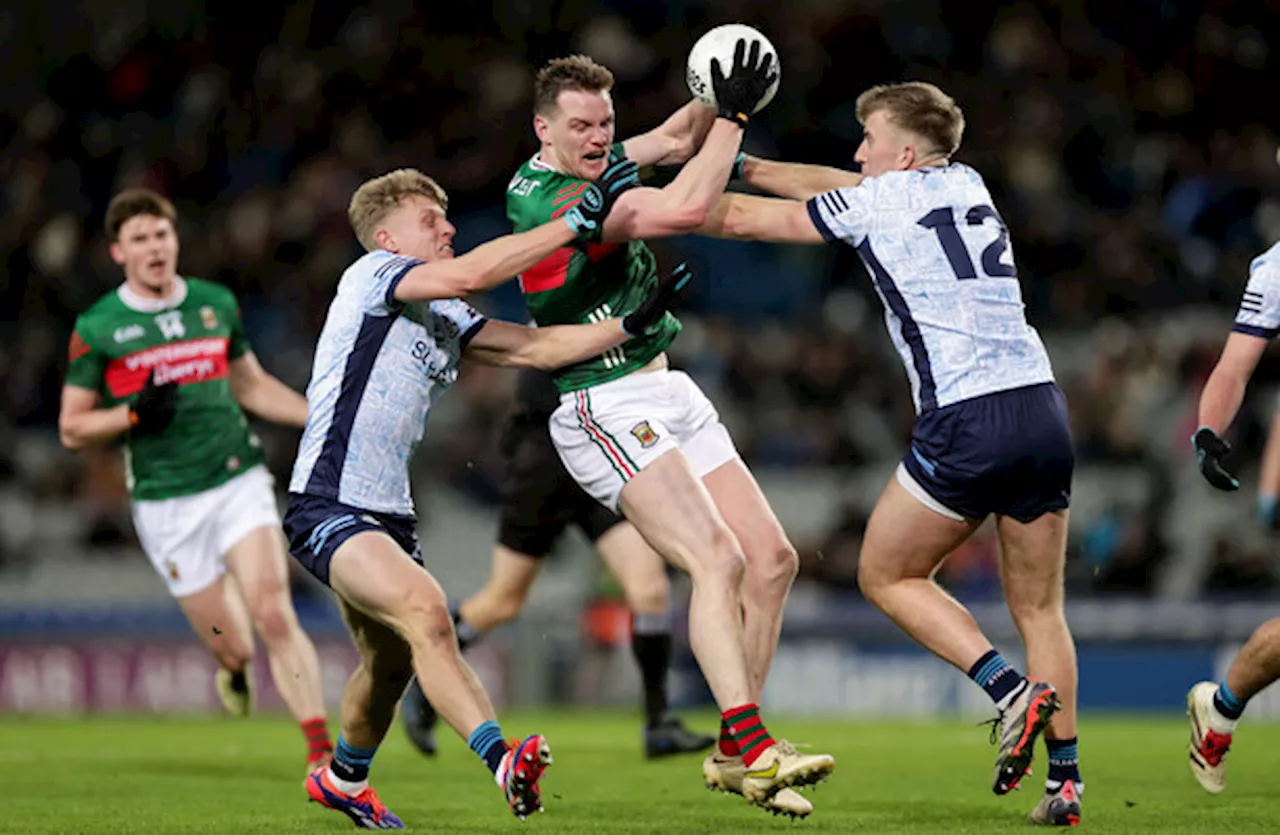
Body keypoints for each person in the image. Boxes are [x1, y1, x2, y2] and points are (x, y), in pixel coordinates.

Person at [696, 81, 1082, 827]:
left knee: (886, 571)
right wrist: (749, 162)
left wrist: (643, 208)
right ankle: (1064, 784)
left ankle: (1007, 691)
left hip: (967, 415)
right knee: (1041, 607)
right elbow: (843, 185)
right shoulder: (964, 182)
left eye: (869, 138)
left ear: (903, 154)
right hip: (1042, 405)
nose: (857, 152)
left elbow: (742, 223)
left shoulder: (879, 201)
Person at [285, 165, 691, 829]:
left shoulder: (440, 304)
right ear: (386, 237)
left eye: (447, 219)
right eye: (431, 221)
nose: (448, 228)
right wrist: (574, 222)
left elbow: (530, 346)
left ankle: (341, 777)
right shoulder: (374, 275)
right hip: (329, 501)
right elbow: (473, 273)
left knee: (388, 663)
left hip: (389, 513)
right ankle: (504, 761)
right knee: (427, 612)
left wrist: (632, 325)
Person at [504, 44, 836, 817]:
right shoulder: (552, 203)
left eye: (606, 122)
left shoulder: (592, 159)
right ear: (541, 131)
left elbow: (678, 139)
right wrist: (740, 115)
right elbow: (685, 207)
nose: (600, 137)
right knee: (713, 559)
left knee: (774, 560)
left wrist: (715, 77)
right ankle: (750, 743)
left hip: (664, 386)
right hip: (603, 403)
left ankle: (736, 748)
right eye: (582, 125)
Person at [59, 188, 334, 772]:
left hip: (236, 477)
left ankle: (322, 754)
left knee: (273, 611)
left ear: (175, 240)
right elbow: (72, 427)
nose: (154, 247)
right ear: (118, 253)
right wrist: (131, 414)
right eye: (140, 239)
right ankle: (232, 669)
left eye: (162, 234)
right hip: (167, 503)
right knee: (232, 642)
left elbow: (250, 385)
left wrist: (320, 418)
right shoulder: (99, 326)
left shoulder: (213, 304)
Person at [399, 367, 715, 761]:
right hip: (545, 466)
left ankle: (658, 723)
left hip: (602, 452)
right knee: (503, 602)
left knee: (649, 589)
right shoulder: (560, 317)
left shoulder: (604, 317)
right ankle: (425, 683)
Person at [1186, 239, 1280, 795]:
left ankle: (1219, 709)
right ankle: (1219, 708)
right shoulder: (1275, 268)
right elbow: (1233, 368)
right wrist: (1208, 431)